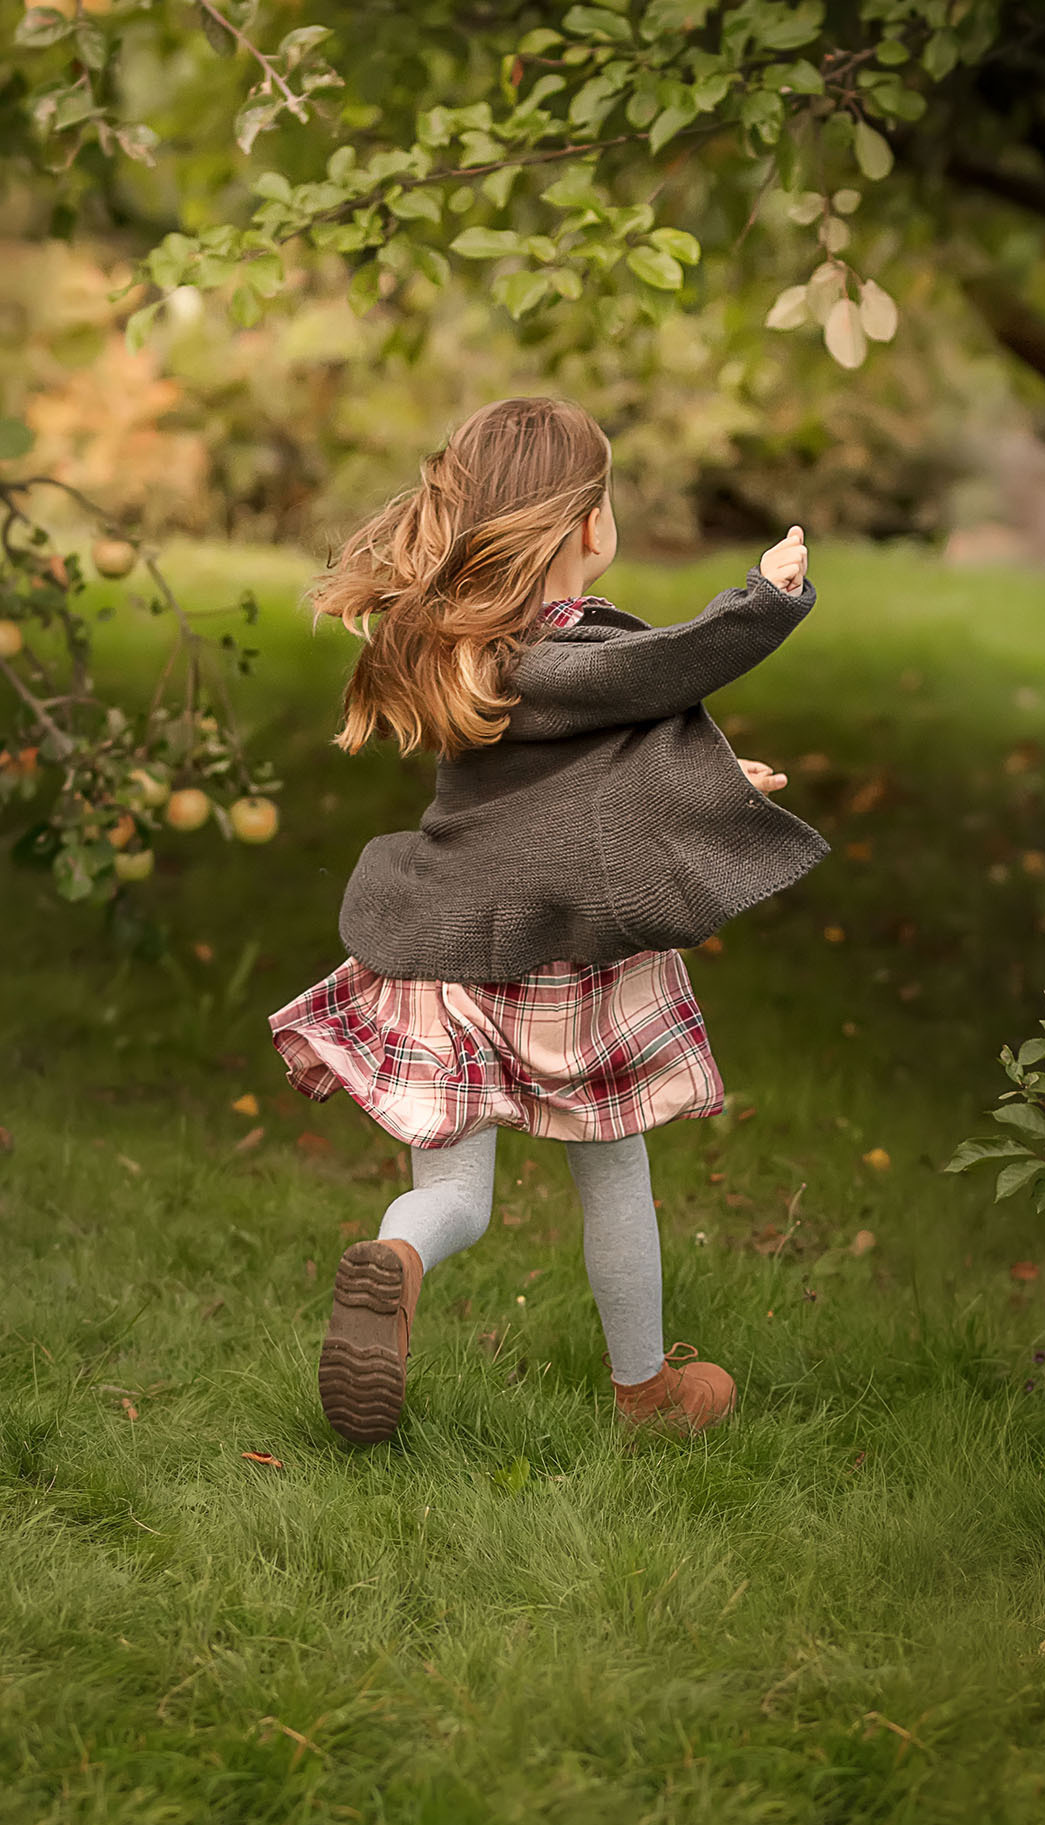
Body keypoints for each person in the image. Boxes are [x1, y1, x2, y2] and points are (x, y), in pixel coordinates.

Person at [270, 395, 826, 1446]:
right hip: (561, 963)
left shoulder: (459, 645)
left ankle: (394, 1260)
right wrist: (761, 601)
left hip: (439, 948)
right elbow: (646, 678)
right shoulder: (563, 650)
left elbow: (575, 788)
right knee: (612, 1168)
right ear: (586, 526)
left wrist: (713, 781)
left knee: (455, 1199)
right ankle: (645, 1393)